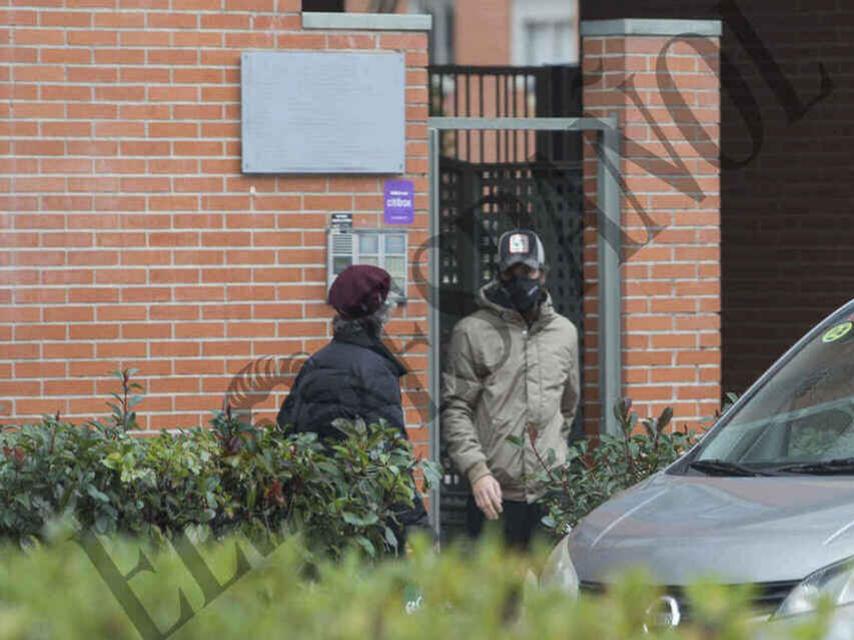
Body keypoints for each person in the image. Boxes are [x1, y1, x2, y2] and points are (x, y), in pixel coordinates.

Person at [441, 228, 580, 550]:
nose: (520, 279)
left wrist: (554, 454)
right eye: (511, 271)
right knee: (496, 599)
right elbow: (456, 409)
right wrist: (477, 471)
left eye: (528, 270)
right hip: (493, 496)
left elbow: (568, 405)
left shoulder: (564, 333)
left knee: (554, 594)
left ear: (542, 274)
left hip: (549, 496)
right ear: (499, 274)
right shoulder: (471, 331)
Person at [276, 264, 429, 551]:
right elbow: (392, 457)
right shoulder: (375, 372)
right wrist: (418, 528)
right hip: (365, 525)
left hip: (314, 521)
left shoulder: (314, 365)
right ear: (380, 315)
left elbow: (285, 433)